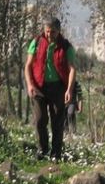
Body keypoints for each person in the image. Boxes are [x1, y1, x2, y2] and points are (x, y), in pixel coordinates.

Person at [24, 17, 77, 161]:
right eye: (47, 31)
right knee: (40, 120)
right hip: (39, 87)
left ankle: (56, 153)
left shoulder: (66, 47)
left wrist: (69, 90)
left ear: (59, 31)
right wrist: (29, 85)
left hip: (58, 87)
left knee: (57, 122)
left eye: (53, 32)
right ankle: (42, 149)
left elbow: (72, 69)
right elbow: (28, 66)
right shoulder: (36, 42)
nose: (49, 34)